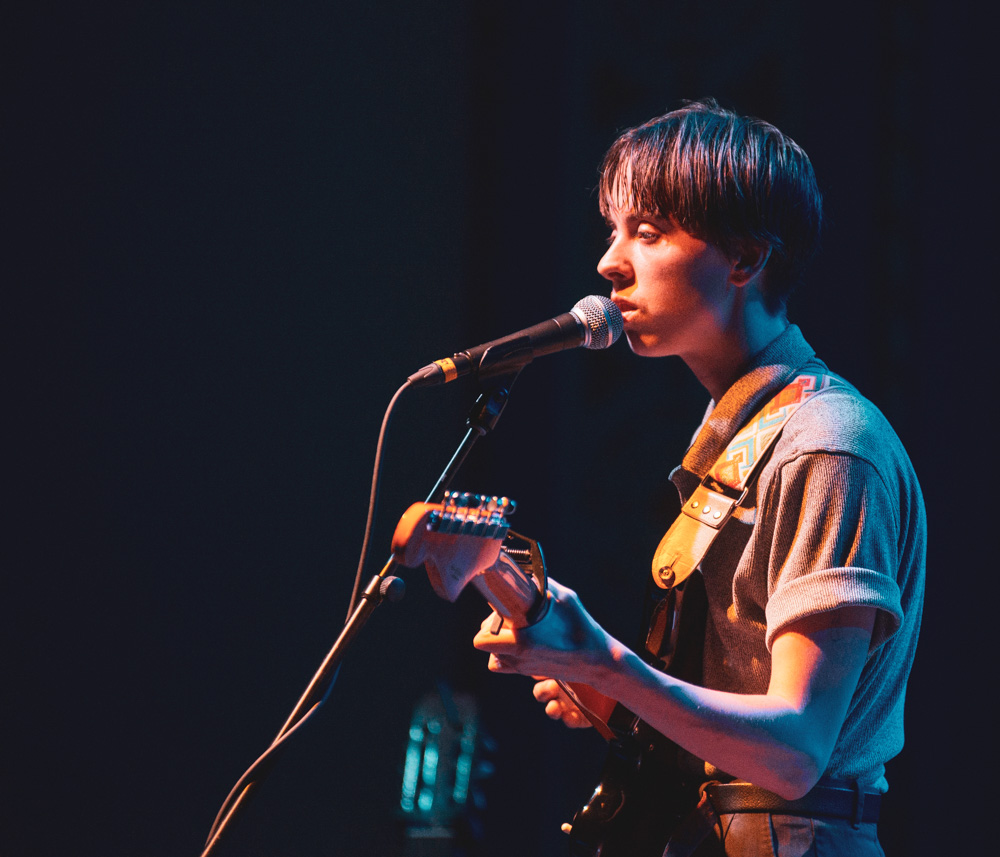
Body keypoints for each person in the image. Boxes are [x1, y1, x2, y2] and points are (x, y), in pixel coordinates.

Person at [472, 99, 925, 856]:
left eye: (647, 233)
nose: (609, 262)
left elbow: (795, 749)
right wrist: (610, 691)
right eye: (615, 231)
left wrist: (607, 662)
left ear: (745, 259)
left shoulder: (827, 444)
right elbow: (737, 738)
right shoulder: (742, 436)